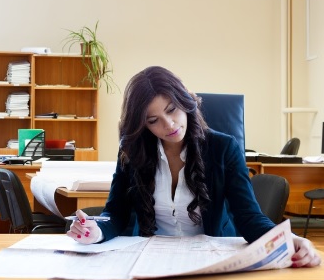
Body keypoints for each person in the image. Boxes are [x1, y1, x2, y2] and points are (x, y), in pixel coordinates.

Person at [67, 66, 321, 268]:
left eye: (172, 110)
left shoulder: (224, 148)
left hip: (211, 258)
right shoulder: (133, 152)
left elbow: (249, 218)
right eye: (154, 120)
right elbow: (116, 213)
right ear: (143, 125)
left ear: (185, 102)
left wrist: (293, 241)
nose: (169, 125)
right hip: (149, 260)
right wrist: (95, 229)